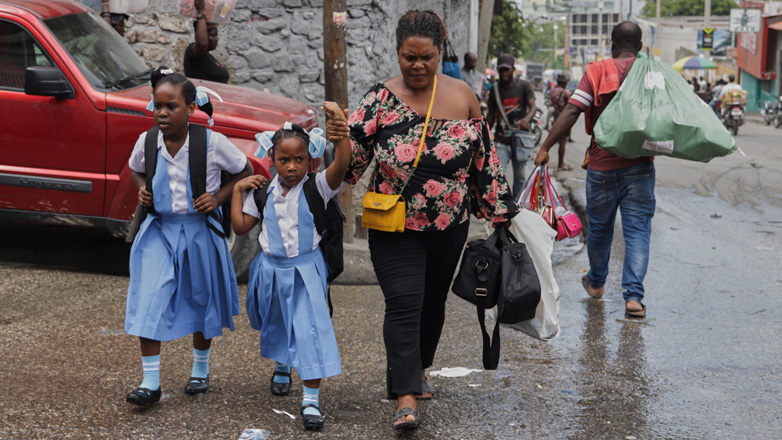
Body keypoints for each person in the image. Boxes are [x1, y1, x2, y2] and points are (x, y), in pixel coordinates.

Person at [326, 10, 518, 431]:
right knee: (404, 303)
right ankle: (405, 395)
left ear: (439, 52)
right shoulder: (378, 99)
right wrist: (337, 142)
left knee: (432, 305)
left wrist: (503, 212)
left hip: (450, 225)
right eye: (408, 57)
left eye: (426, 57)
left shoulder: (464, 96)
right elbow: (349, 168)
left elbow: (484, 161)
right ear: (397, 53)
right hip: (393, 225)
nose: (417, 65)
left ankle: (418, 367)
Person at [124, 68, 253, 406]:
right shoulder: (147, 141)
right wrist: (142, 190)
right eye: (157, 107)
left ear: (191, 108)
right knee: (150, 298)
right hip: (159, 230)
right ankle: (150, 382)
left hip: (199, 232)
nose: (162, 114)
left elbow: (245, 171)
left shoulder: (212, 144)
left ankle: (199, 370)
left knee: (201, 300)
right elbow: (135, 169)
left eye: (171, 107)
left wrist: (219, 197)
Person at [231, 108, 351, 431]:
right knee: (280, 322)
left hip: (305, 271)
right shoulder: (261, 193)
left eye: (299, 160)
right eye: (284, 160)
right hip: (271, 270)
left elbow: (341, 164)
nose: (292, 167)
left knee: (309, 331)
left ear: (309, 160)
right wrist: (237, 190)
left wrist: (341, 134)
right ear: (272, 158)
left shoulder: (318, 187)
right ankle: (282, 367)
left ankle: (311, 401)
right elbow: (241, 227)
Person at [534, 21, 653, 319]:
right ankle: (634, 298)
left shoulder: (597, 71)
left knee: (599, 229)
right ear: (640, 48)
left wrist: (546, 146)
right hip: (640, 165)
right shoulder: (651, 72)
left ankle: (597, 283)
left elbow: (573, 110)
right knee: (637, 231)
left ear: (611, 46)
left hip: (601, 165)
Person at [487, 53, 536, 197]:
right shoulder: (494, 90)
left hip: (520, 140)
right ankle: (502, 205)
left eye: (507, 70)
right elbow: (491, 114)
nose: (504, 73)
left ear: (513, 69)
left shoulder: (524, 86)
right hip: (501, 140)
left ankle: (517, 205)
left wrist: (527, 119)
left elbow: (533, 107)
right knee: (498, 175)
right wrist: (486, 134)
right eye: (501, 70)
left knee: (520, 176)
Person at [184, 0, 229, 83]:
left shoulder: (209, 57)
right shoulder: (192, 52)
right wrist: (201, 12)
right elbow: (202, 44)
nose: (217, 39)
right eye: (213, 35)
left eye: (216, 35)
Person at [549, 72, 573, 171]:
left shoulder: (552, 91)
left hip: (555, 117)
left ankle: (547, 162)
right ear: (564, 82)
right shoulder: (566, 92)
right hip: (563, 119)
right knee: (562, 143)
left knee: (553, 140)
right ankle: (561, 164)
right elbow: (571, 106)